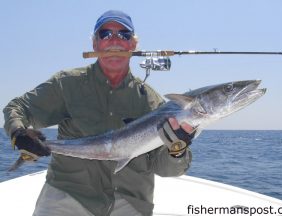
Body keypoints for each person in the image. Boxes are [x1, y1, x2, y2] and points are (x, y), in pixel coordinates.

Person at [3, 10, 195, 216]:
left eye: (124, 35)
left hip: (130, 200)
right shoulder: (67, 84)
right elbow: (18, 107)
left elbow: (167, 169)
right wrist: (18, 133)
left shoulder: (153, 102)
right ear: (95, 44)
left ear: (133, 45)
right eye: (105, 34)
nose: (115, 40)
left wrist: (177, 150)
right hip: (69, 193)